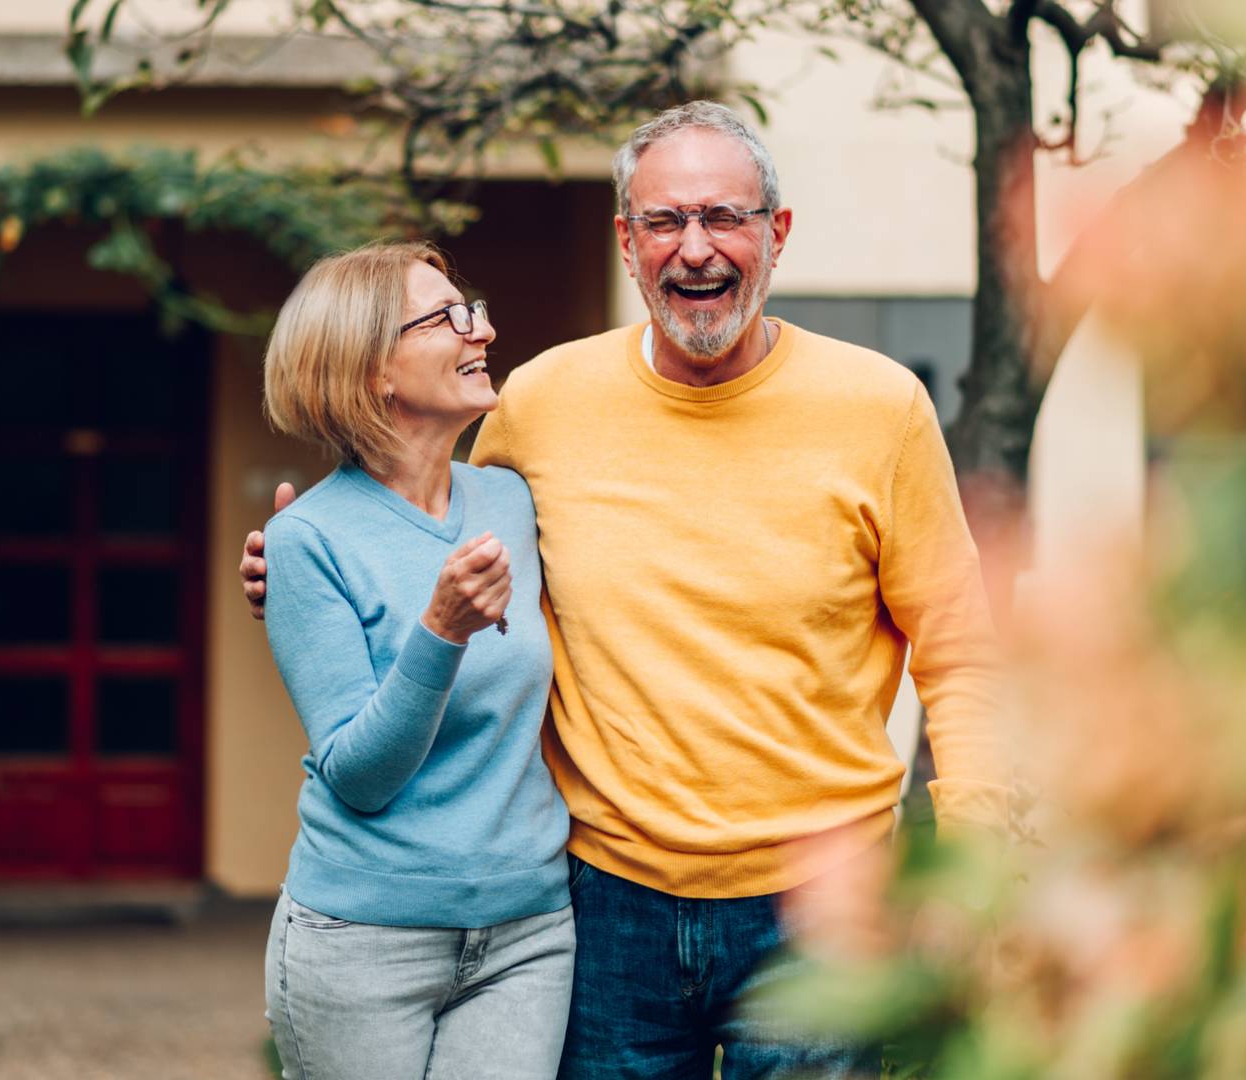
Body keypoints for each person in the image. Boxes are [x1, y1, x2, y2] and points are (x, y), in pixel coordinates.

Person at [243, 103, 1009, 1079]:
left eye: (724, 217)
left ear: (776, 233)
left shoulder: (881, 408)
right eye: (664, 221)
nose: (695, 249)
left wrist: (973, 866)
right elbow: (418, 531)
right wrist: (296, 571)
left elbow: (961, 650)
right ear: (626, 241)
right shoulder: (541, 404)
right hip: (603, 904)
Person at [255, 241, 575, 1080]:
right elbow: (359, 776)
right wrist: (440, 630)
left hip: (527, 932)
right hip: (363, 941)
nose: (486, 329)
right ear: (371, 374)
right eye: (448, 318)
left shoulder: (511, 498)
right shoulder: (307, 541)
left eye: (473, 309)